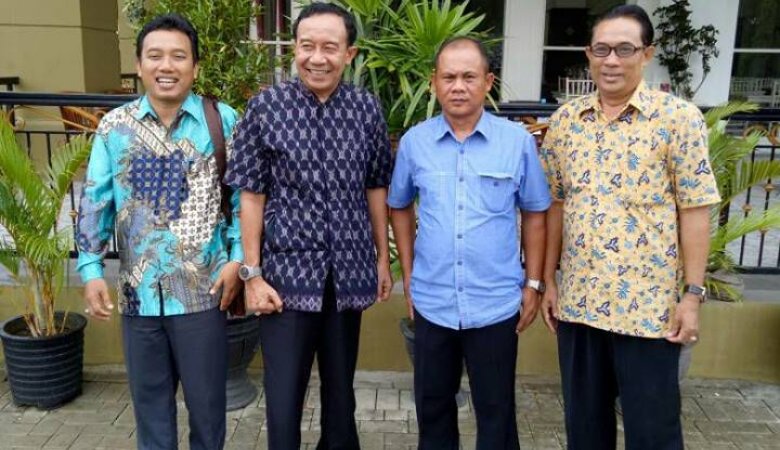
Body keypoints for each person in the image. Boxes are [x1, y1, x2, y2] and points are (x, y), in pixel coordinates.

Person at [540, 5, 721, 449]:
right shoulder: (566, 122)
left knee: (653, 433)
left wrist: (692, 296)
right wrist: (548, 280)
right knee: (585, 431)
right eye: (601, 49)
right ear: (588, 54)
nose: (611, 60)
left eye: (624, 49)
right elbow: (555, 204)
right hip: (580, 304)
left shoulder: (678, 119)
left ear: (647, 53)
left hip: (649, 311)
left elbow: (695, 210)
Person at [224, 2, 393, 449]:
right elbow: (251, 195)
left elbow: (376, 186)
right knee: (283, 399)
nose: (317, 58)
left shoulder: (366, 110)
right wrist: (252, 274)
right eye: (307, 46)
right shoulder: (265, 108)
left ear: (349, 53)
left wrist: (382, 258)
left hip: (348, 274)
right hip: (284, 280)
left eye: (329, 48)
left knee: (341, 395)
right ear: (294, 49)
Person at [76, 13, 242, 450]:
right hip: (138, 296)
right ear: (139, 64)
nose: (166, 66)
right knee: (151, 415)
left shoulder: (222, 121)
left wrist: (239, 259)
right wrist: (91, 269)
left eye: (178, 56)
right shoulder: (114, 127)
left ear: (195, 67)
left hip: (203, 292)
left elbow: (244, 199)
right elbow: (96, 201)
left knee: (208, 411)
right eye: (155, 56)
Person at [388, 37, 551, 450]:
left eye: (468, 77)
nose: (458, 86)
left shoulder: (516, 142)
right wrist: (410, 275)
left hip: (495, 303)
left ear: (488, 82)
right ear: (434, 82)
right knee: (433, 410)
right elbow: (399, 206)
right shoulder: (415, 143)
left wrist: (534, 283)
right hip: (433, 301)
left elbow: (535, 212)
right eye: (448, 77)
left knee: (496, 413)